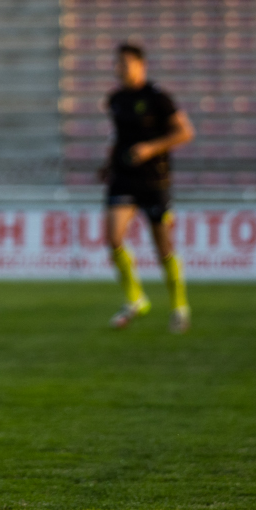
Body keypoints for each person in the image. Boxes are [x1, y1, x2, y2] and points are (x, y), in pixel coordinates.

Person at [99, 43, 195, 333]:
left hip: (155, 179)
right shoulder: (115, 99)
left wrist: (151, 149)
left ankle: (179, 307)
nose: (121, 68)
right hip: (124, 177)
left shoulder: (158, 97)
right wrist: (108, 163)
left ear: (141, 65)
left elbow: (185, 132)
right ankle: (135, 298)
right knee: (114, 238)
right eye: (118, 64)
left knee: (162, 244)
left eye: (126, 63)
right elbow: (120, 135)